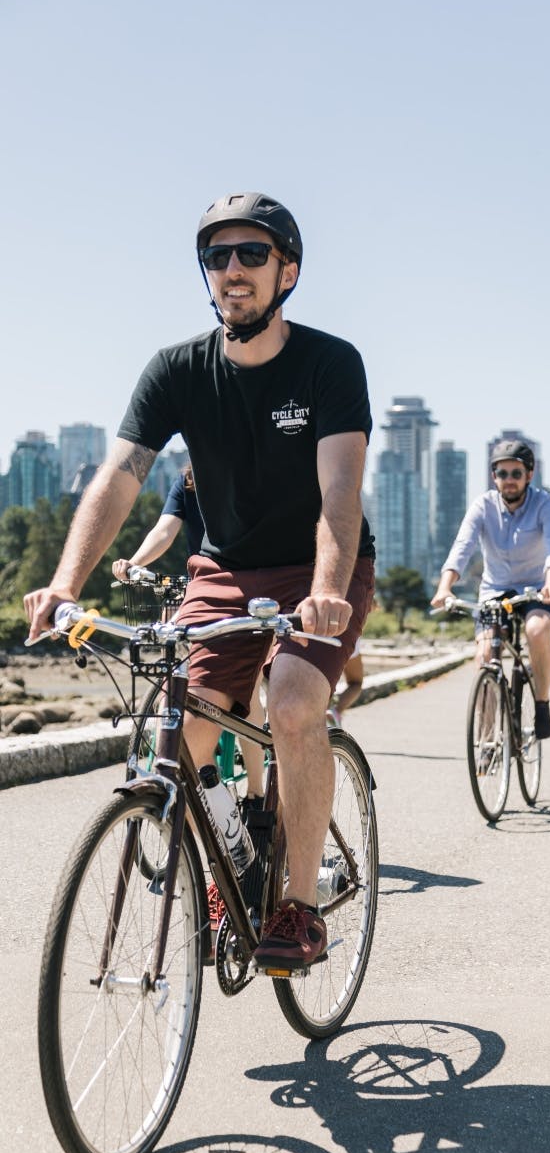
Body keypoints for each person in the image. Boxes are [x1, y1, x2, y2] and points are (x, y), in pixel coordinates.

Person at [25, 191, 375, 969]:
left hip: (318, 566)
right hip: (222, 566)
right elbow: (120, 476)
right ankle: (231, 866)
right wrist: (63, 584)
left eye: (252, 254)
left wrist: (325, 591)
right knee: (181, 726)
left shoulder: (328, 363)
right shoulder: (176, 370)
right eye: (217, 257)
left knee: (290, 703)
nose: (232, 270)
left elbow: (339, 495)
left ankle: (299, 906)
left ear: (288, 272)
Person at [111, 465, 267, 800]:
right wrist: (136, 562)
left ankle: (257, 794)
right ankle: (203, 777)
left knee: (247, 685)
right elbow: (165, 529)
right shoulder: (187, 483)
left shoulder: (247, 475)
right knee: (175, 663)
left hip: (249, 589)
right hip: (202, 590)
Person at [431, 439, 550, 738]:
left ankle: (542, 704)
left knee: (537, 630)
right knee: (485, 658)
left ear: (529, 475)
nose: (509, 480)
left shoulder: (545, 503)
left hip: (536, 589)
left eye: (516, 474)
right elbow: (462, 548)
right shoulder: (483, 505)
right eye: (502, 474)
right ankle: (488, 737)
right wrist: (445, 588)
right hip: (494, 590)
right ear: (494, 477)